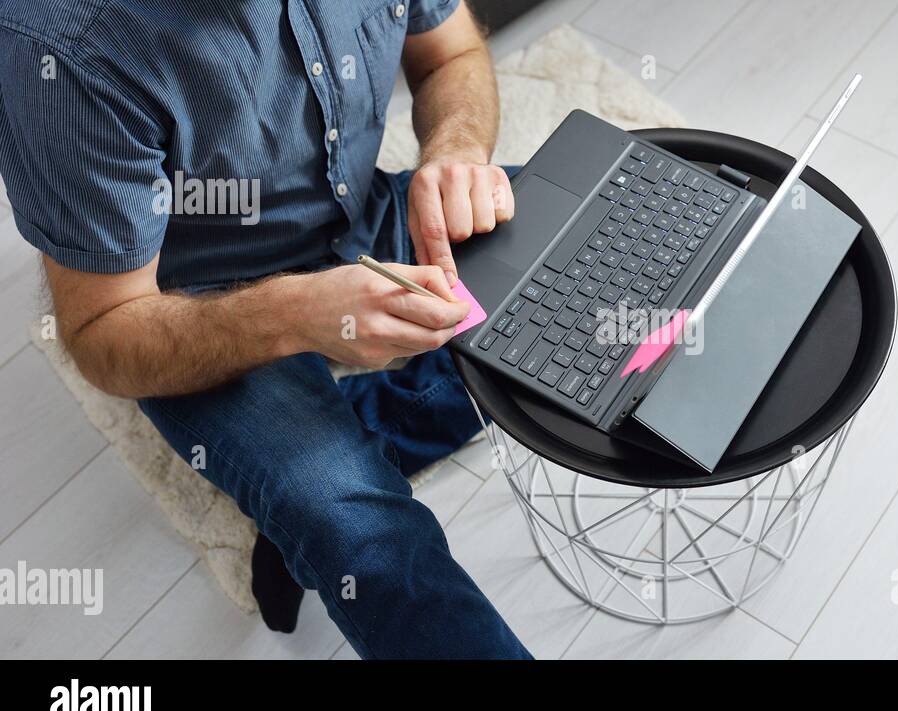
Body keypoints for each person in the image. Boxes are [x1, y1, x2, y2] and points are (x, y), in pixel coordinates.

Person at [0, 0, 531, 659]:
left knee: (603, 270)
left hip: (365, 220)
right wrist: (299, 312)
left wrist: (456, 150)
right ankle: (313, 498)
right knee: (363, 532)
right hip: (200, 304)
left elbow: (452, 54)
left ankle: (348, 448)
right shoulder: (60, 48)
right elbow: (103, 331)